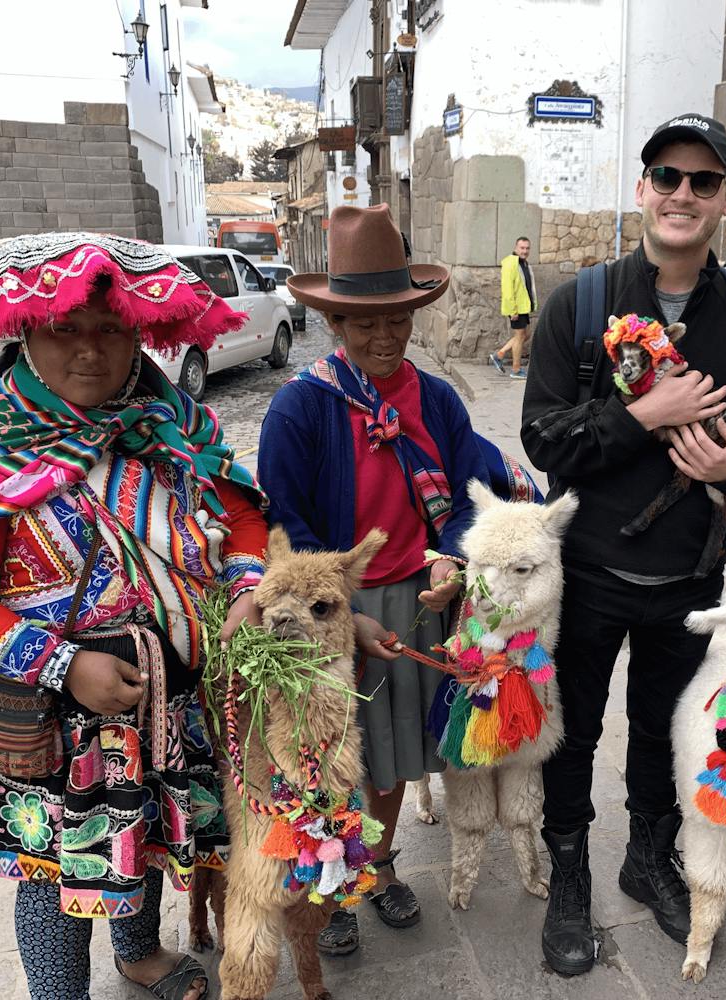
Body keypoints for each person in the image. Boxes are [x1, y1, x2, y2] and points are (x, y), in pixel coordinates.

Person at [0, 233, 271, 1000]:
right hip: (48, 710)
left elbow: (239, 513)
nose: (91, 352)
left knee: (154, 838)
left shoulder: (170, 424)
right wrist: (70, 667)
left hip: (163, 695)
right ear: (26, 332)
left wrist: (245, 587)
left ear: (140, 333)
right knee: (55, 875)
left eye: (112, 329)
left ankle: (138, 953)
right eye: (65, 329)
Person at [519, 113, 726, 976]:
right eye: (667, 177)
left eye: (703, 181)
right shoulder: (581, 303)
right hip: (590, 571)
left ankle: (647, 854)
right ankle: (570, 865)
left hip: (689, 573)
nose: (683, 194)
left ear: (725, 199)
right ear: (643, 188)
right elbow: (541, 438)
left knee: (662, 725)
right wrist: (641, 415)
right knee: (571, 733)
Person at [257, 204, 538, 958]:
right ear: (334, 324)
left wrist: (450, 556)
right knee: (332, 755)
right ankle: (329, 882)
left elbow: (472, 488)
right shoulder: (300, 410)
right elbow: (286, 530)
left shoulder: (438, 399)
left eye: (396, 321)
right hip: (331, 614)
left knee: (399, 747)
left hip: (419, 603)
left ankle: (376, 866)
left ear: (413, 316)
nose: (383, 338)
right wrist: (343, 617)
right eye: (362, 324)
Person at [492, 236, 536, 379]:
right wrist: (513, 311)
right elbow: (507, 289)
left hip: (523, 307)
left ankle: (499, 355)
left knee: (525, 335)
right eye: (522, 248)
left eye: (527, 248)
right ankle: (516, 370)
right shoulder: (511, 263)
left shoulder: (523, 263)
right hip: (516, 308)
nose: (525, 251)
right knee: (519, 337)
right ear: (516, 248)